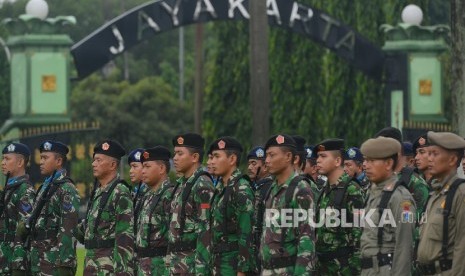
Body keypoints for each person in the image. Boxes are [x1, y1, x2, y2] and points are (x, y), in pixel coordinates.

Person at [360, 136, 416, 275]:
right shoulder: (373, 192)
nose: (365, 165)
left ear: (388, 163)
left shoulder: (400, 197)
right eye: (365, 160)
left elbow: (404, 246)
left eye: (372, 160)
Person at [260, 134, 315, 274]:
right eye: (266, 156)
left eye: (272, 155)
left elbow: (306, 239)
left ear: (288, 157)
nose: (266, 160)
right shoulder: (272, 188)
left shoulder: (300, 189)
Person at [81, 139, 134, 275]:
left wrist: (123, 272)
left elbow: (124, 238)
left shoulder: (120, 192)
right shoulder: (98, 191)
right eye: (94, 160)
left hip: (108, 268)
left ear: (112, 165)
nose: (93, 164)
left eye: (99, 160)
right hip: (91, 266)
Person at [416, 131, 465, 275]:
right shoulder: (436, 193)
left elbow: (462, 248)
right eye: (429, 153)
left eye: (435, 154)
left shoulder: (460, 194)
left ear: (452, 160)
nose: (429, 159)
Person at [28, 141, 80, 276]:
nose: (41, 162)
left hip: (54, 263)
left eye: (45, 158)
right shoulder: (46, 186)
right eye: (41, 157)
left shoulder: (66, 188)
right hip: (38, 260)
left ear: (58, 161)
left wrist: (65, 264)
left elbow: (68, 229)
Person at [315, 138, 364, 275]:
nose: (318, 160)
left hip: (343, 269)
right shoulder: (324, 190)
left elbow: (359, 235)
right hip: (323, 268)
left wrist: (353, 270)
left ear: (337, 161)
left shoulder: (351, 189)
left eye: (323, 156)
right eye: (318, 156)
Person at [167, 133, 214, 275]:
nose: (174, 158)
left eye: (180, 153)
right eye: (174, 153)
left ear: (194, 157)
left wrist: (202, 271)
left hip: (192, 266)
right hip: (177, 264)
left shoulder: (202, 185)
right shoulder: (182, 184)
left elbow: (206, 231)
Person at [208, 137, 255, 275]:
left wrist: (242, 270)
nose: (212, 161)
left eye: (217, 156)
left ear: (232, 159)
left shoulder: (241, 188)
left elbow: (246, 234)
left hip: (232, 266)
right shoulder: (221, 187)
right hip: (217, 262)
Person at [135, 146, 174, 275]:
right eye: (142, 166)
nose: (143, 171)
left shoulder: (170, 195)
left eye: (147, 166)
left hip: (161, 268)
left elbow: (174, 237)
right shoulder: (147, 195)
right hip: (144, 267)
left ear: (162, 168)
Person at [0, 143, 35, 275]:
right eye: (3, 158)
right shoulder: (9, 189)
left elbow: (24, 231)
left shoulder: (24, 191)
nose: (3, 163)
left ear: (20, 162)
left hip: (12, 262)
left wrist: (18, 265)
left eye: (7, 159)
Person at [247, 146, 272, 273]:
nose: (249, 167)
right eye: (249, 164)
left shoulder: (270, 188)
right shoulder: (253, 187)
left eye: (254, 163)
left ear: (265, 167)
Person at [128, 148, 146, 233]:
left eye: (135, 166)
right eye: (130, 167)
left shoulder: (151, 192)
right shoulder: (135, 192)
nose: (130, 171)